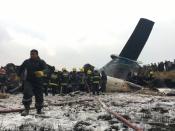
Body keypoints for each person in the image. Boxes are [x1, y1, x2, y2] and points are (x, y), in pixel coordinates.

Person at [18, 49, 48, 116]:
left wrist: (42, 72)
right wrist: (18, 75)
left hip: (38, 82)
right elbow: (21, 68)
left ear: (37, 54)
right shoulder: (27, 61)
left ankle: (39, 110)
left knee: (39, 96)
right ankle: (26, 109)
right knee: (27, 93)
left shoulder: (41, 62)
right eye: (31, 54)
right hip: (29, 81)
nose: (32, 55)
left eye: (33, 54)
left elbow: (47, 69)